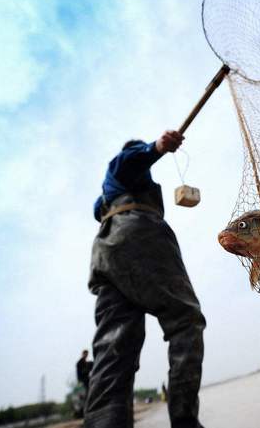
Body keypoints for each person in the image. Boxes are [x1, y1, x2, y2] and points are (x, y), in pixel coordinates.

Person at [86, 130, 206, 428]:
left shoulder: (106, 197)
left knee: (115, 344)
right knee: (185, 320)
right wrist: (156, 147)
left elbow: (98, 208)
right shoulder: (124, 165)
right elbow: (128, 161)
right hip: (141, 237)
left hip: (106, 251)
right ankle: (185, 420)